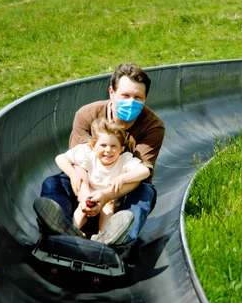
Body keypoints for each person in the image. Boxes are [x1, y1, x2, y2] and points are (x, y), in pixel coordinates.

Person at [34, 63, 165, 246]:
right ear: (112, 93)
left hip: (121, 194)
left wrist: (106, 195)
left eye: (137, 98)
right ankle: (62, 229)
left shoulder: (153, 126)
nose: (131, 102)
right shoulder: (88, 114)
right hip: (86, 184)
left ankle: (117, 240)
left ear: (145, 99)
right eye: (125, 96)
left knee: (145, 192)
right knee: (54, 183)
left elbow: (142, 173)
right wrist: (85, 193)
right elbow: (78, 163)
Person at [54, 117, 150, 245]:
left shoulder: (124, 160)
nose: (108, 150)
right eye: (103, 145)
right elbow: (61, 158)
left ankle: (103, 238)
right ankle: (73, 231)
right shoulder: (88, 154)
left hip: (109, 198)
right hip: (89, 194)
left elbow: (144, 171)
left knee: (108, 209)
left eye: (113, 146)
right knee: (83, 205)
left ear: (121, 148)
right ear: (94, 146)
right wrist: (73, 175)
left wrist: (122, 178)